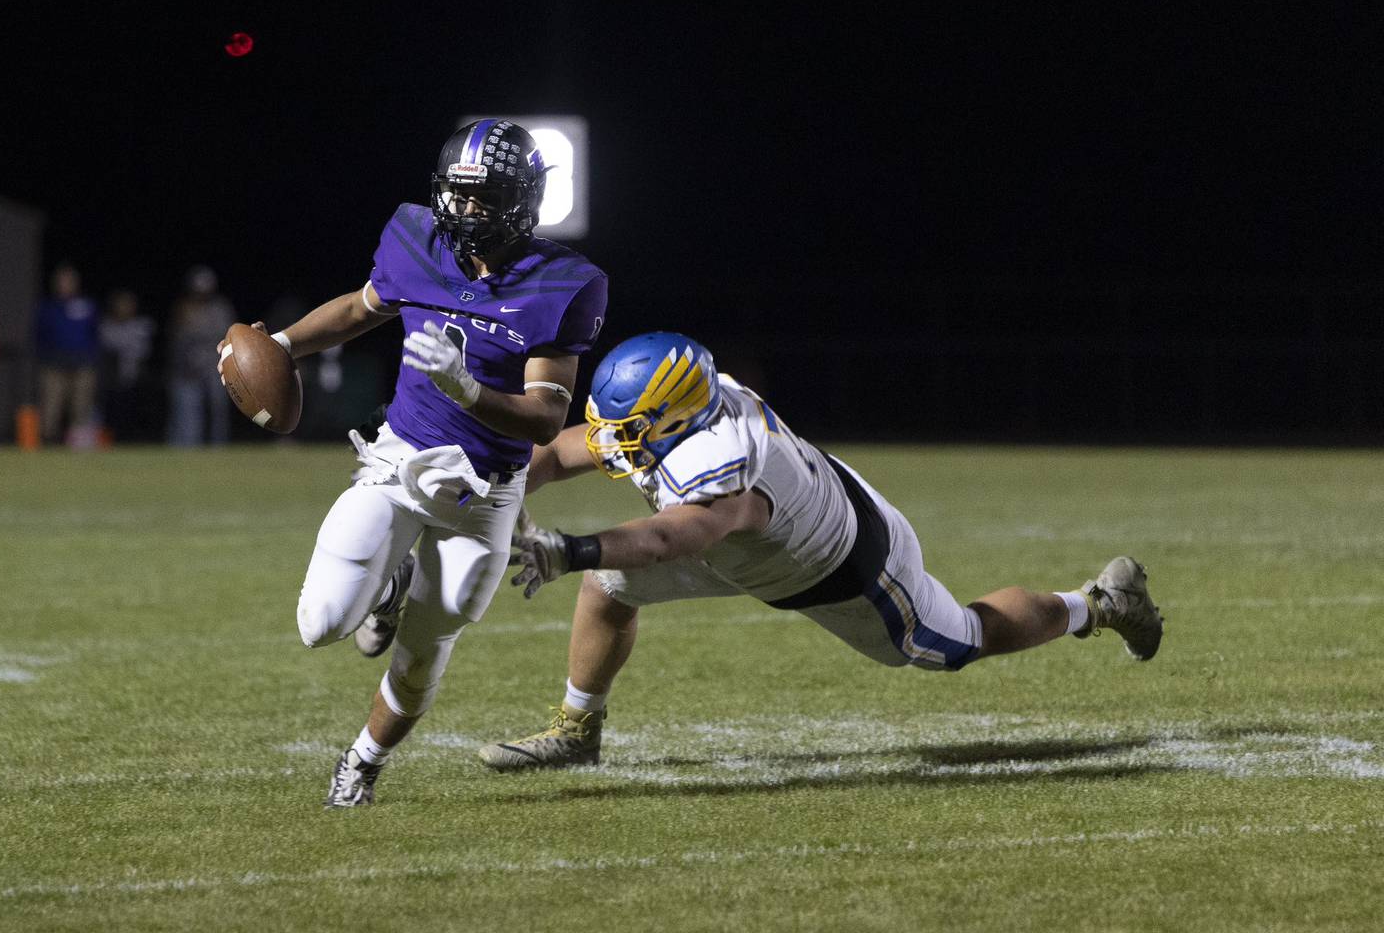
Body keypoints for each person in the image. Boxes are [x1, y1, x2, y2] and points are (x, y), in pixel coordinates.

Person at [478, 332, 1164, 770]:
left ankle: (1099, 604)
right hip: (757, 539)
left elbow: (672, 536)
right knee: (610, 588)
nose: (613, 440)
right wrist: (499, 483)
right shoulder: (682, 409)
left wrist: (571, 548)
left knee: (958, 640)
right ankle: (577, 731)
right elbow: (568, 449)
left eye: (632, 429)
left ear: (676, 417)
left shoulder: (726, 459)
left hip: (840, 564)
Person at [218, 119, 608, 806]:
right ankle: (390, 588)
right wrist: (278, 344)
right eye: (456, 194)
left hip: (486, 495)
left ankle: (362, 763)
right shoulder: (415, 236)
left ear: (522, 202)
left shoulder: (562, 283)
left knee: (427, 649)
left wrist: (470, 389)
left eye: (482, 196)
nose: (463, 211)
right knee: (322, 625)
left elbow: (548, 416)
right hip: (400, 462)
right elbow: (358, 310)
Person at [168, 265, 236, 446]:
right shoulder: (183, 308)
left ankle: (219, 447)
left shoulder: (221, 308)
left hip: (215, 366)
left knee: (218, 409)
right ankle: (186, 449)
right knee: (188, 412)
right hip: (187, 368)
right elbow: (176, 341)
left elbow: (231, 337)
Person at [35, 263, 99, 446]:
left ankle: (78, 445)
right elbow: (39, 335)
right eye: (62, 281)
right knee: (51, 406)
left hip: (82, 363)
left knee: (81, 406)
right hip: (54, 364)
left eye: (69, 281)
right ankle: (48, 443)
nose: (65, 284)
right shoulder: (48, 307)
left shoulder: (86, 305)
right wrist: (44, 358)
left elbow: (95, 333)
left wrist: (91, 358)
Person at [98, 289, 157, 443]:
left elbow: (146, 354)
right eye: (122, 304)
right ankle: (109, 441)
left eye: (129, 304)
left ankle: (136, 439)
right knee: (112, 413)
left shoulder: (142, 325)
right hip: (113, 380)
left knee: (137, 411)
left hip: (137, 379)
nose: (125, 308)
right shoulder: (107, 326)